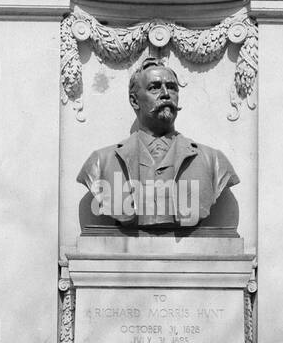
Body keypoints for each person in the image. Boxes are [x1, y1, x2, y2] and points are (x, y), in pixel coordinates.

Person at [77, 58, 239, 229]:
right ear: (134, 101)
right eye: (154, 88)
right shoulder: (101, 162)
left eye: (172, 88)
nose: (166, 94)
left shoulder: (212, 161)